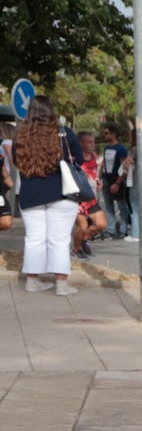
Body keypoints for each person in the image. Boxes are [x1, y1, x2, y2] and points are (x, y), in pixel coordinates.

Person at [11, 97, 81, 296]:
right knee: (59, 240)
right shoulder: (63, 134)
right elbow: (79, 160)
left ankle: (32, 280)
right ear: (50, 111)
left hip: (30, 193)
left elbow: (17, 162)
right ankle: (61, 284)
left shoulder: (21, 136)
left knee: (34, 238)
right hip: (61, 192)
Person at [100, 124, 132, 240]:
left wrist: (118, 182)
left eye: (107, 133)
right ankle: (110, 230)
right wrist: (100, 178)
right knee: (108, 205)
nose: (105, 135)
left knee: (121, 205)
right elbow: (103, 164)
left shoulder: (121, 149)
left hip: (116, 179)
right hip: (106, 179)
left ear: (113, 134)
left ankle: (124, 229)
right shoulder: (106, 148)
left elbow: (124, 167)